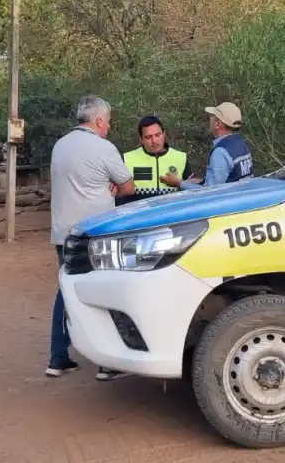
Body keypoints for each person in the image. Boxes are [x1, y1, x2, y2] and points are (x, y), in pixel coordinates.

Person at [47, 95, 136, 381]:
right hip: (97, 235)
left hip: (63, 233)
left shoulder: (60, 146)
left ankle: (58, 358)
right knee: (104, 292)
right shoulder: (104, 148)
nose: (109, 127)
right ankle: (108, 363)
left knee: (66, 292)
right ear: (99, 120)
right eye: (108, 122)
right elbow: (128, 188)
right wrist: (112, 187)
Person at [161, 102, 253, 190]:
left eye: (211, 117)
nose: (209, 120)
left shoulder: (221, 152)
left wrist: (179, 183)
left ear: (218, 124)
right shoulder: (240, 143)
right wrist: (200, 181)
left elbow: (209, 192)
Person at [118, 115, 195, 205]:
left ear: (164, 134)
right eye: (148, 137)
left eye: (157, 135)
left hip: (172, 215)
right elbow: (118, 193)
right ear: (141, 139)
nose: (154, 140)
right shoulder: (128, 159)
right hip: (140, 215)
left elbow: (192, 191)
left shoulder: (180, 158)